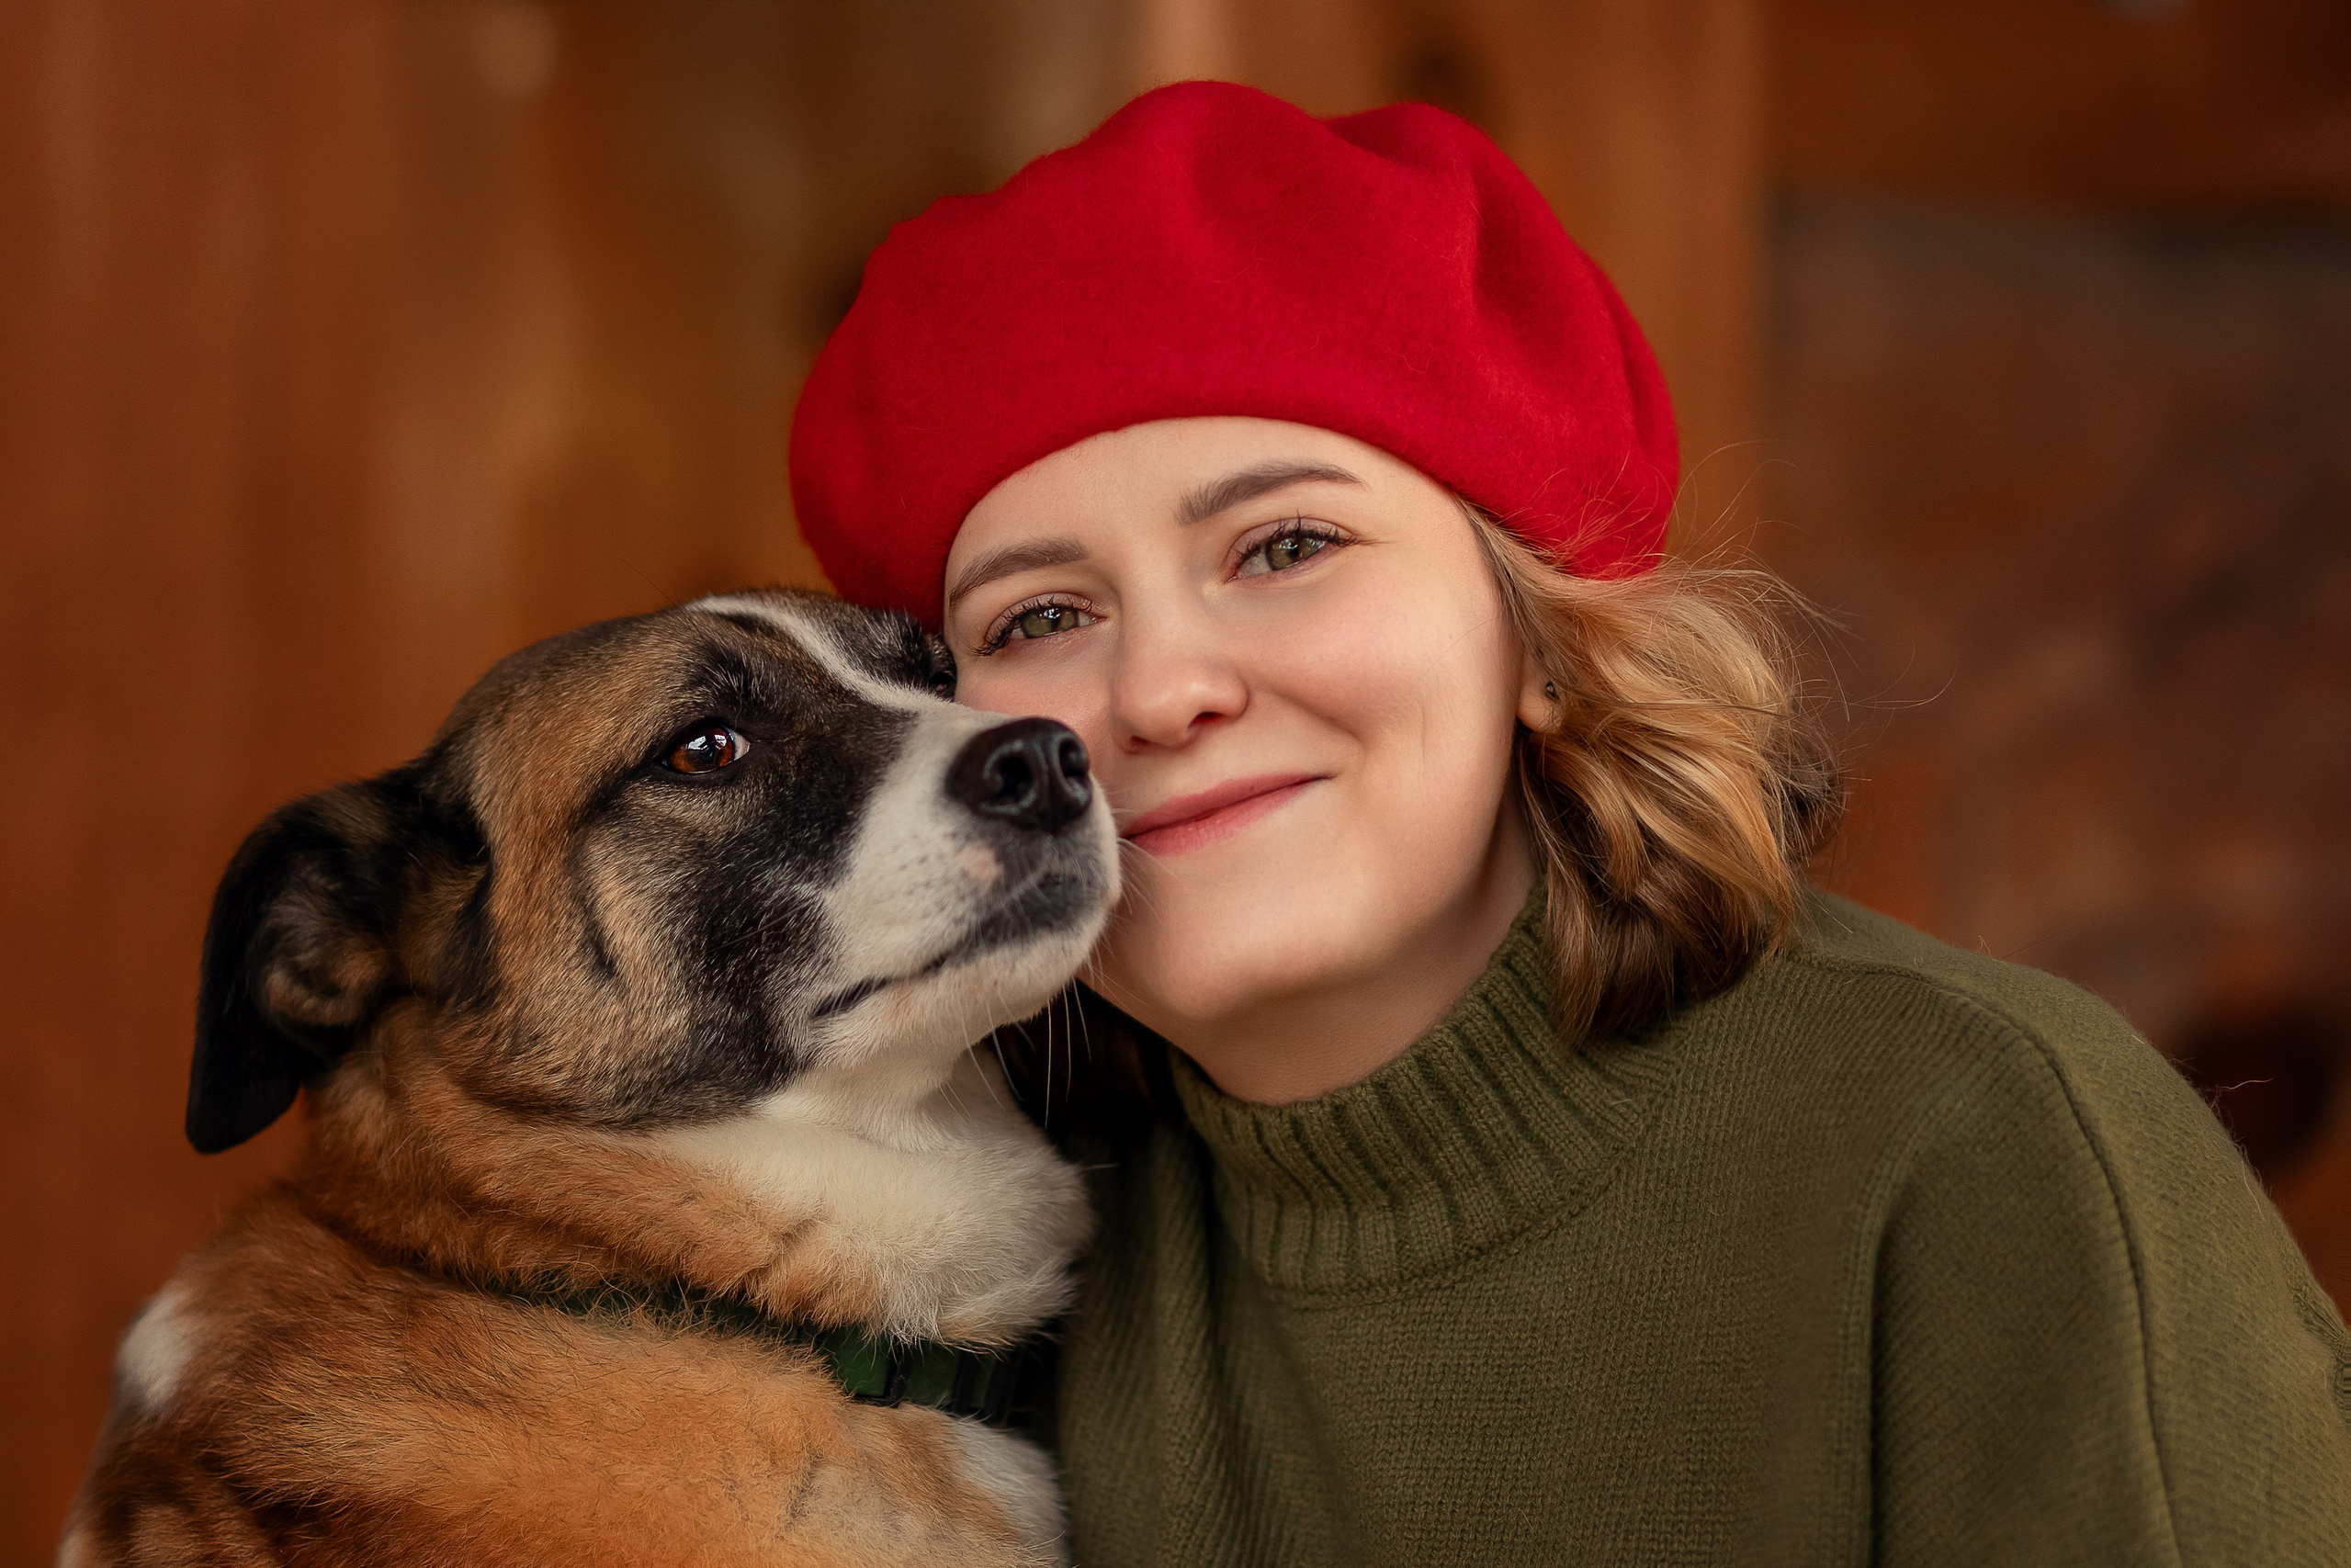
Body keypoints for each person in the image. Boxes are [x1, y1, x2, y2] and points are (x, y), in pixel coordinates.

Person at [786, 81, 2351, 1565]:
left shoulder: (1984, 1146)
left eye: (1285, 545)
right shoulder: (959, 1250)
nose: (1163, 687)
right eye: (1042, 613)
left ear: (1540, 642)